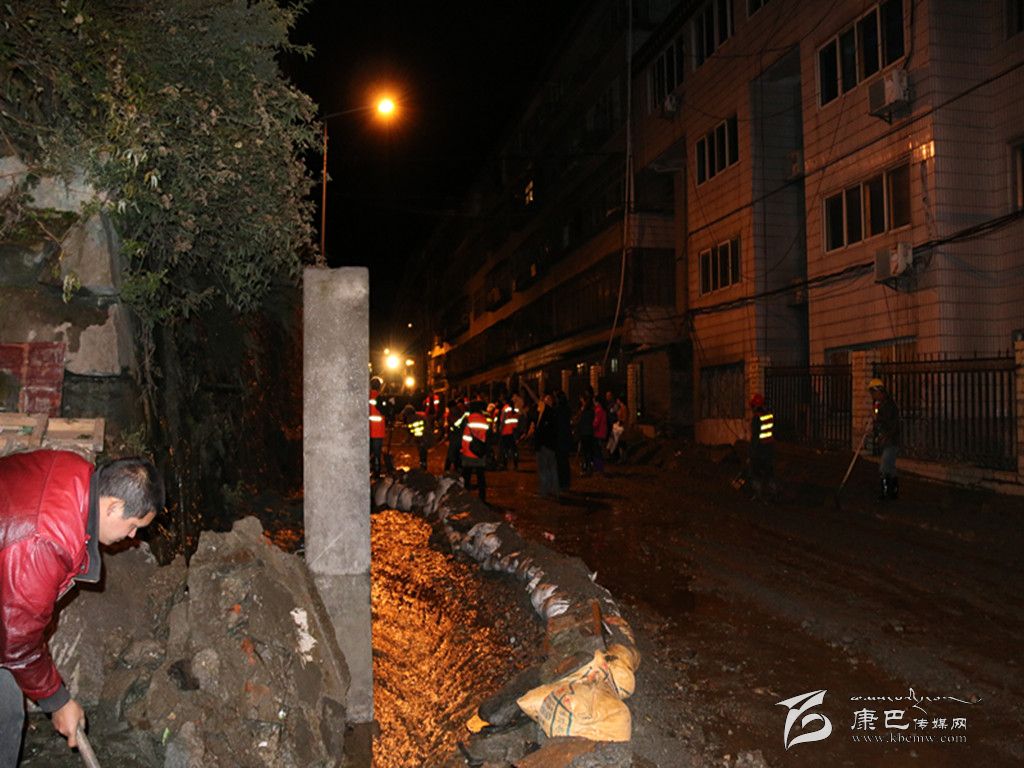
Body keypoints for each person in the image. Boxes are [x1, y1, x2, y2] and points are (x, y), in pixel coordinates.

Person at [0, 450, 164, 762]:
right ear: (113, 506)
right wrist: (57, 700)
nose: (132, 536)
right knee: (4, 721)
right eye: (133, 525)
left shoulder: (76, 471)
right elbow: (16, 641)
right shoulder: (48, 541)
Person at [869, 378, 900, 499]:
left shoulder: (889, 405)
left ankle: (886, 493)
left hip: (891, 441)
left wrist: (877, 419)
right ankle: (892, 493)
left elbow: (891, 424)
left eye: (873, 393)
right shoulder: (880, 404)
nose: (872, 396)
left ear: (878, 391)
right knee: (890, 467)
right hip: (887, 440)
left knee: (884, 467)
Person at [748, 393, 776, 501]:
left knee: (755, 472)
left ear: (754, 406)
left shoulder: (757, 419)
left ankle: (758, 493)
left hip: (759, 450)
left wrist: (751, 453)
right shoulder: (769, 416)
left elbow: (755, 437)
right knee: (769, 472)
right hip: (769, 449)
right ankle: (773, 492)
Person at [460, 396, 490, 501]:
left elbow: (463, 435)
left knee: (466, 476)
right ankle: (482, 497)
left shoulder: (467, 419)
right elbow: (487, 436)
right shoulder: (484, 420)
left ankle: (465, 497)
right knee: (480, 476)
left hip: (468, 452)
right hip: (479, 452)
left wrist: (462, 449)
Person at [533, 393, 559, 498]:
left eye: (545, 399)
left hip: (544, 445)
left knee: (544, 469)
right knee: (551, 468)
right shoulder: (553, 413)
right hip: (550, 445)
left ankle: (545, 491)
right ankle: (553, 490)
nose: (543, 401)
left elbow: (542, 431)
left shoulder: (547, 412)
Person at [401, 403, 431, 471]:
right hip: (425, 437)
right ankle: (423, 467)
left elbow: (411, 433)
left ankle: (423, 468)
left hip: (422, 439)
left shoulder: (411, 419)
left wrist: (406, 441)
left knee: (422, 454)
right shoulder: (418, 416)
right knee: (423, 454)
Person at [554, 390, 573, 492]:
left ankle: (561, 483)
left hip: (559, 438)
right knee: (565, 461)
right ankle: (566, 482)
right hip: (566, 437)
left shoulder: (557, 410)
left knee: (560, 462)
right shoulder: (567, 409)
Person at [444, 398, 466, 474]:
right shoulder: (459, 412)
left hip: (456, 435)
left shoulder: (454, 412)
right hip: (458, 435)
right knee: (456, 453)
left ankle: (448, 469)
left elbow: (454, 423)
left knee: (452, 452)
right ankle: (457, 468)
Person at [575, 393, 595, 476]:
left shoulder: (584, 412)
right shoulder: (591, 411)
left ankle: (586, 467)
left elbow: (580, 421)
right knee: (589, 451)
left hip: (584, 432)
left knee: (586, 452)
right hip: (589, 432)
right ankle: (590, 466)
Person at [369, 387, 387, 478]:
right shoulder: (381, 398)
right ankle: (377, 471)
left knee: (367, 452)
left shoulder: (366, 396)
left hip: (368, 429)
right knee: (377, 453)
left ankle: (369, 469)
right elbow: (386, 411)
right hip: (378, 431)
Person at [498, 398, 520, 471]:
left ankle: (505, 465)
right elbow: (518, 420)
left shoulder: (505, 408)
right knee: (514, 450)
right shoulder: (515, 409)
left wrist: (500, 428)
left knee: (505, 449)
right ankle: (516, 465)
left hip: (506, 432)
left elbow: (503, 420)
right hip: (514, 432)